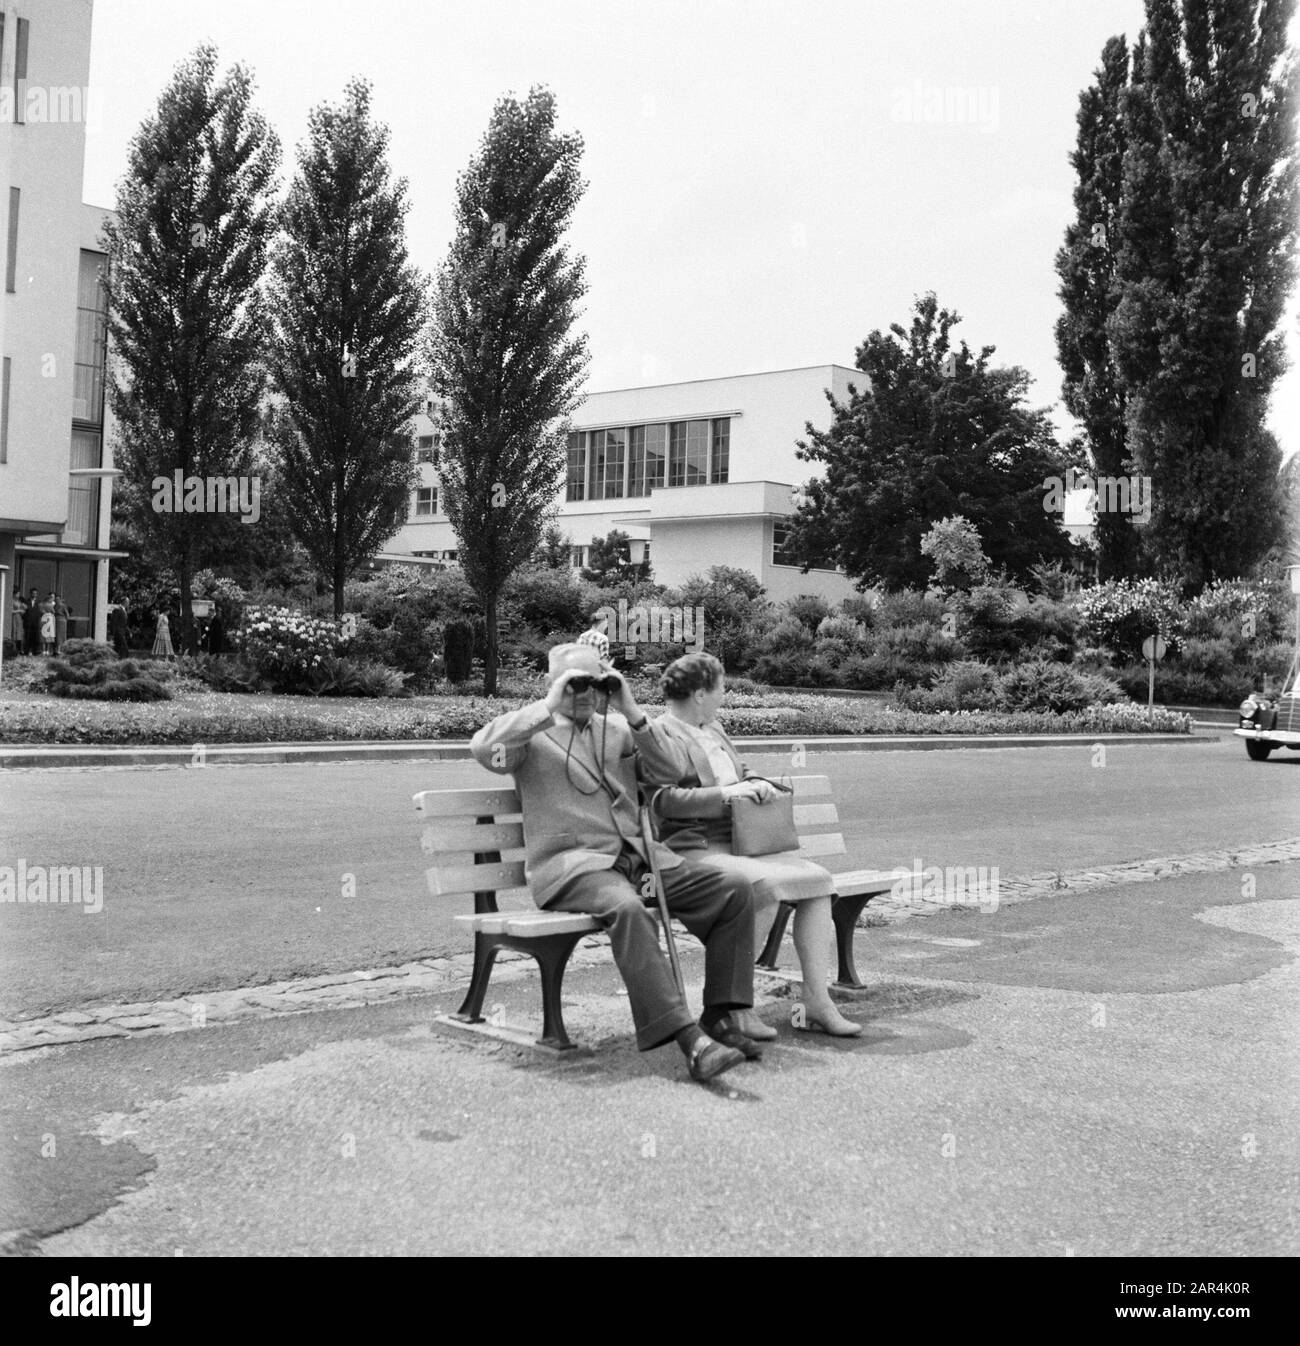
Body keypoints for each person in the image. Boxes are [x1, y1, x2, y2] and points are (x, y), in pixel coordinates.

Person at [469, 642, 763, 1083]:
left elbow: (668, 772)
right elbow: (482, 748)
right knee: (627, 909)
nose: (586, 692)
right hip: (574, 869)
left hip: (636, 861)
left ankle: (719, 1015)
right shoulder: (530, 736)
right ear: (552, 685)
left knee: (732, 890)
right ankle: (689, 1040)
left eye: (595, 682)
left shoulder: (618, 730)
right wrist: (548, 705)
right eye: (574, 684)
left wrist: (633, 711)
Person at [649, 652, 862, 1036]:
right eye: (720, 689)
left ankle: (817, 1001)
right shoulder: (659, 734)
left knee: (818, 882)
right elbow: (661, 801)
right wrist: (726, 795)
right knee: (762, 887)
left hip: (744, 844)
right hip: (695, 847)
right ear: (699, 693)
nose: (723, 697)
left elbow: (742, 773)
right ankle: (735, 1007)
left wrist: (757, 782)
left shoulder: (714, 730)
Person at [23, 588, 41, 655]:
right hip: (28, 622)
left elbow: (39, 612)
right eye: (33, 593)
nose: (34, 595)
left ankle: (35, 651)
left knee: (35, 637)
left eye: (36, 593)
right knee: (27, 637)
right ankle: (26, 651)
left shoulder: (39, 602)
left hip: (35, 622)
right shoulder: (26, 601)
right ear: (30, 594)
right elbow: (24, 611)